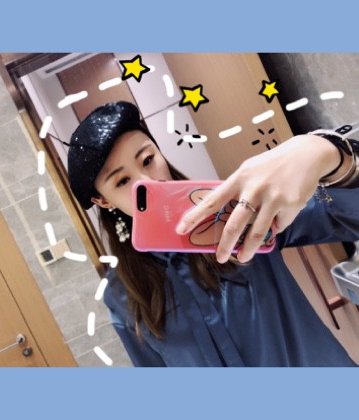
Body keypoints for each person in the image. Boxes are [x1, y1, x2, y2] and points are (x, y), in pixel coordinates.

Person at [67, 101, 359, 367]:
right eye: (122, 181)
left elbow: (347, 215)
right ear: (102, 201)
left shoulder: (238, 211)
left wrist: (328, 155)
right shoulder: (121, 295)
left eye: (147, 160)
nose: (148, 181)